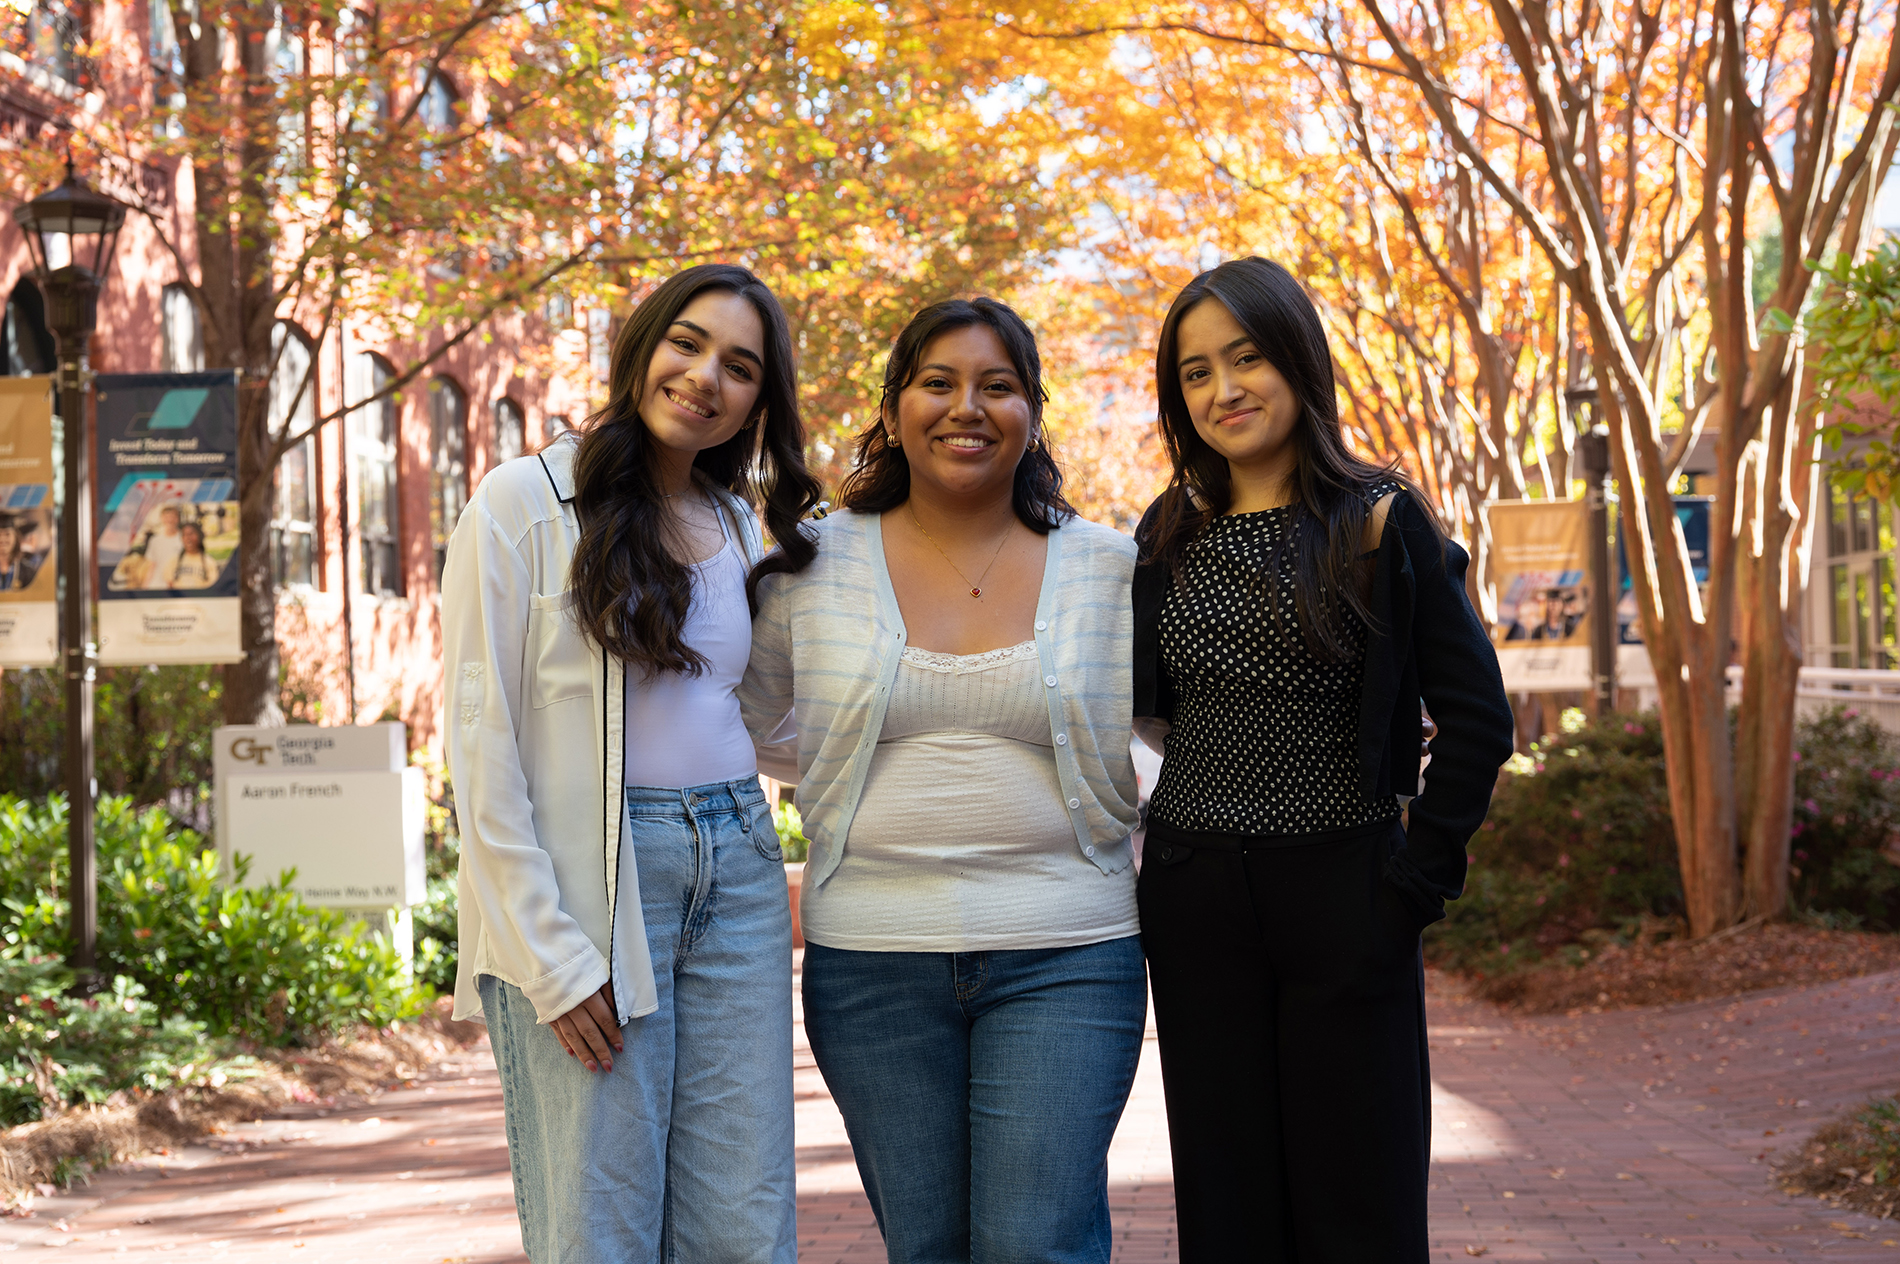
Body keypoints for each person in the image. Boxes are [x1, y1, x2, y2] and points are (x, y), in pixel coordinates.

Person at [741, 297, 1147, 1263]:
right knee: (925, 1249)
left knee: (1036, 1245)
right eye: (938, 382)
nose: (967, 406)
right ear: (893, 410)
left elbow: (1181, 729)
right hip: (871, 961)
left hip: (1069, 951)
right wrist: (847, 756)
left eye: (996, 386)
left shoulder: (1110, 567)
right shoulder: (811, 565)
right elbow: (745, 721)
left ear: (1032, 413)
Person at [1130, 257, 1514, 1261]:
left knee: (1361, 1206)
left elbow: (1477, 721)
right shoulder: (1166, 533)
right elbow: (1153, 713)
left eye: (1246, 357)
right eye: (1195, 372)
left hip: (1346, 891)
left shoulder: (1382, 522)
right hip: (1194, 897)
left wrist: (1411, 886)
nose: (1223, 390)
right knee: (1226, 1207)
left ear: (1298, 357)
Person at [441, 263, 822, 1264]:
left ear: (757, 402)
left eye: (739, 367)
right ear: (643, 345)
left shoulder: (741, 524)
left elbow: (757, 714)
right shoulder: (524, 501)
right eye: (687, 343)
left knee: (745, 1214)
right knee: (600, 1223)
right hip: (593, 885)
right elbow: (481, 748)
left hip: (737, 863)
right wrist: (551, 961)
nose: (705, 377)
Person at [140, 505, 184, 589]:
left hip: (177, 584)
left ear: (177, 519)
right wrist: (145, 586)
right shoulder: (155, 540)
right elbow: (151, 565)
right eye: (166, 517)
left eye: (172, 517)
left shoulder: (183, 539)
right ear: (162, 519)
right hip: (157, 584)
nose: (169, 520)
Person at [164, 520, 215, 589]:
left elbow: (212, 588)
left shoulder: (209, 562)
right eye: (184, 535)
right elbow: (170, 586)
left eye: (191, 534)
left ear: (199, 536)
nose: (188, 538)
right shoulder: (174, 561)